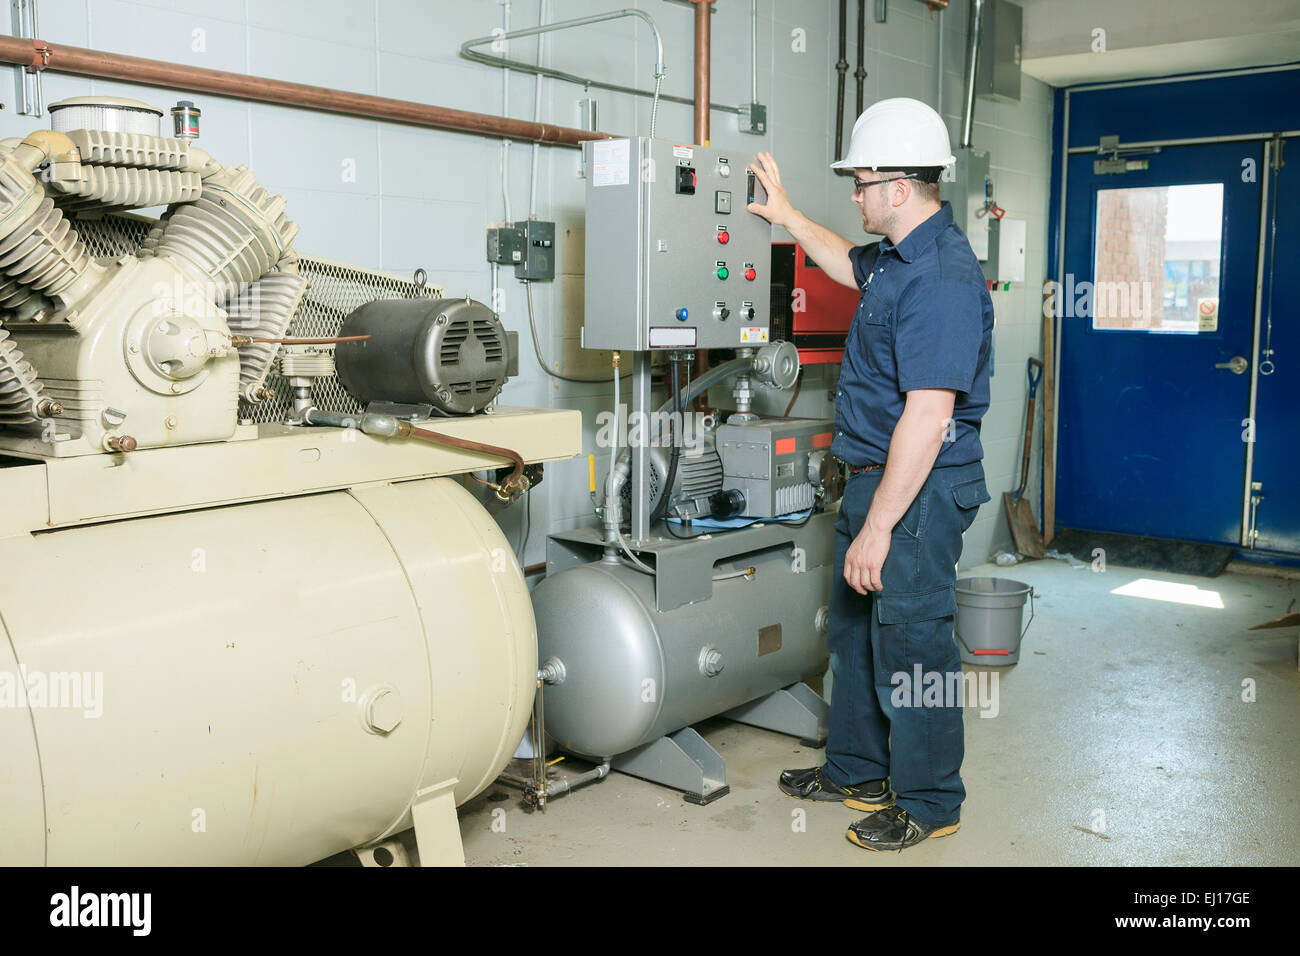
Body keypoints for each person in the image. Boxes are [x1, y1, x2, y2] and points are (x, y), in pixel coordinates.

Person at [747, 97, 993, 852]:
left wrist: (881, 526)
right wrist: (787, 215)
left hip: (914, 490)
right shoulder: (893, 259)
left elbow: (927, 419)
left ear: (899, 187)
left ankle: (928, 798)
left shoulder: (944, 278)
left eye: (860, 182)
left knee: (915, 643)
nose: (852, 196)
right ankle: (857, 768)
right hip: (870, 476)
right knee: (855, 632)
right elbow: (839, 261)